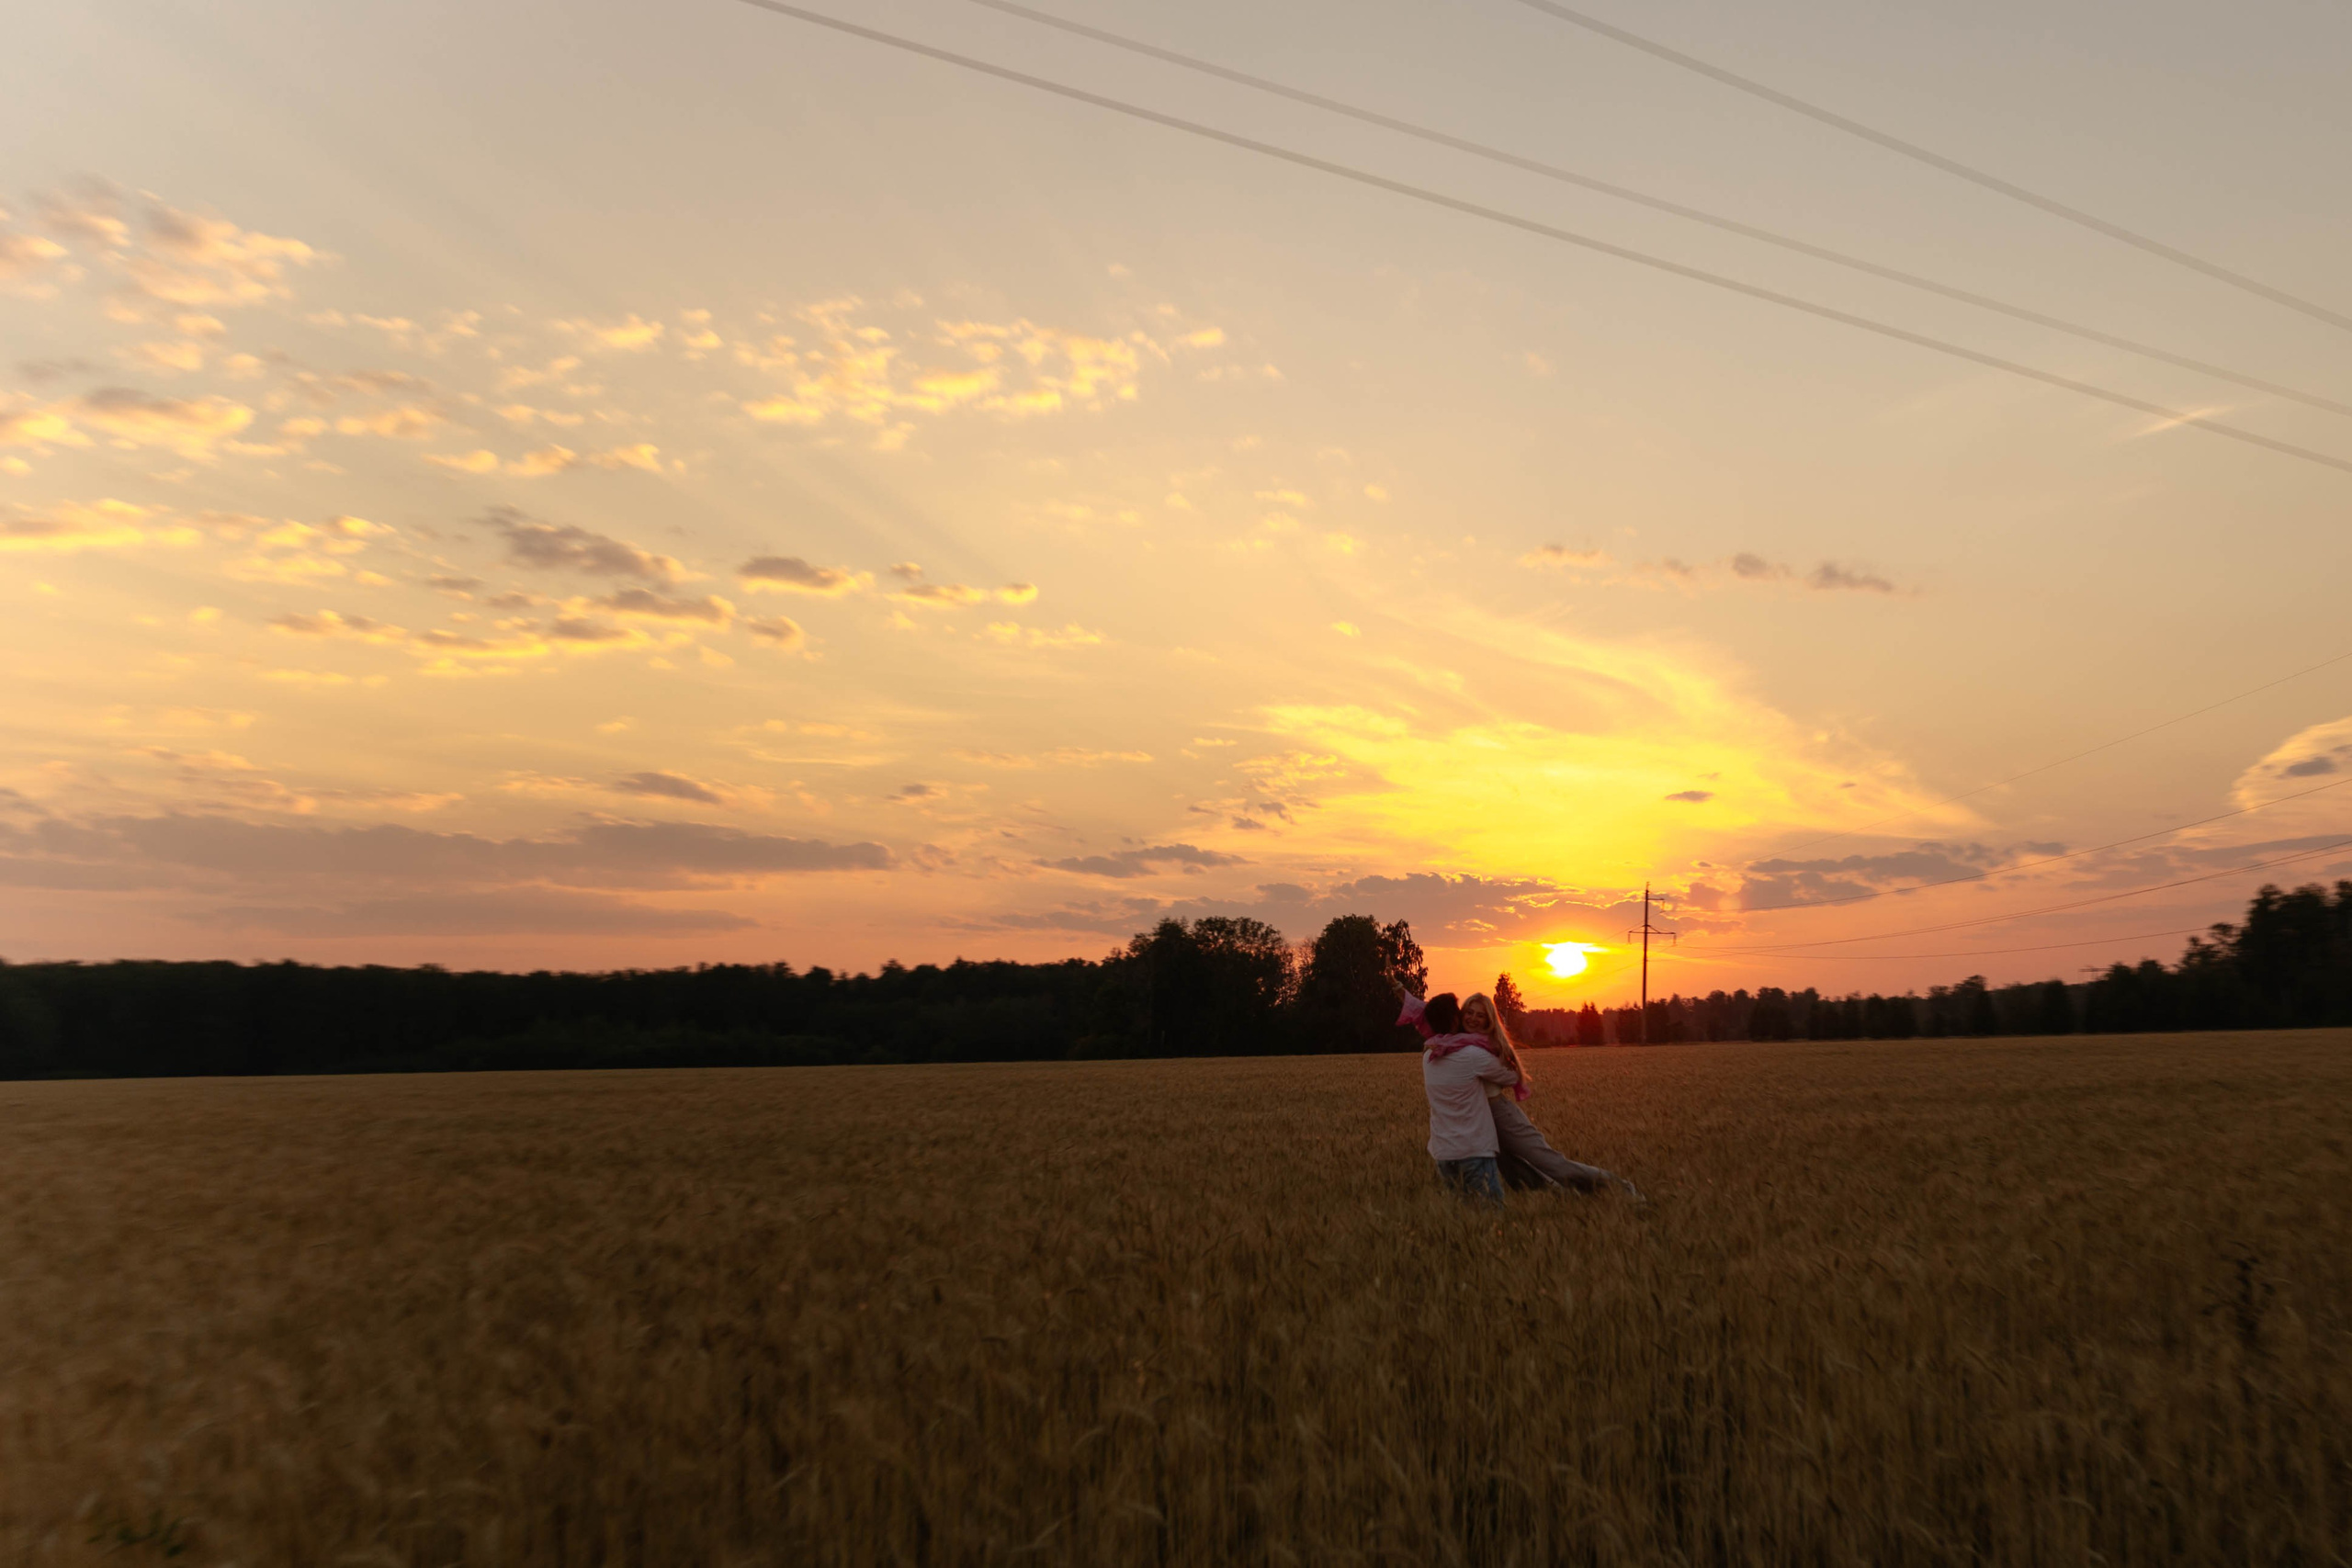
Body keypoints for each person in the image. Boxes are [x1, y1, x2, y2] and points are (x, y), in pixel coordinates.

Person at [1396, 980, 1641, 1202]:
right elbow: (1429, 1012)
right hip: (1476, 1122)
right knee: (1512, 1170)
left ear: (1488, 1021)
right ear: (1459, 1017)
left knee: (1550, 1162)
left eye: (1480, 1016)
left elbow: (1511, 1074)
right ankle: (1558, 1198)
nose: (1472, 1018)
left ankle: (1618, 1187)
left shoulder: (1486, 1046)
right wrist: (1401, 992)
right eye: (1468, 1012)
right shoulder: (1454, 1041)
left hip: (1499, 1115)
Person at [1414, 991, 1518, 1204]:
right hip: (1474, 1151)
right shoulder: (1472, 1056)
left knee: (1464, 1218)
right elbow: (1511, 1076)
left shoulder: (1428, 1057)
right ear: (1454, 1020)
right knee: (1492, 1218)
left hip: (1443, 1154)